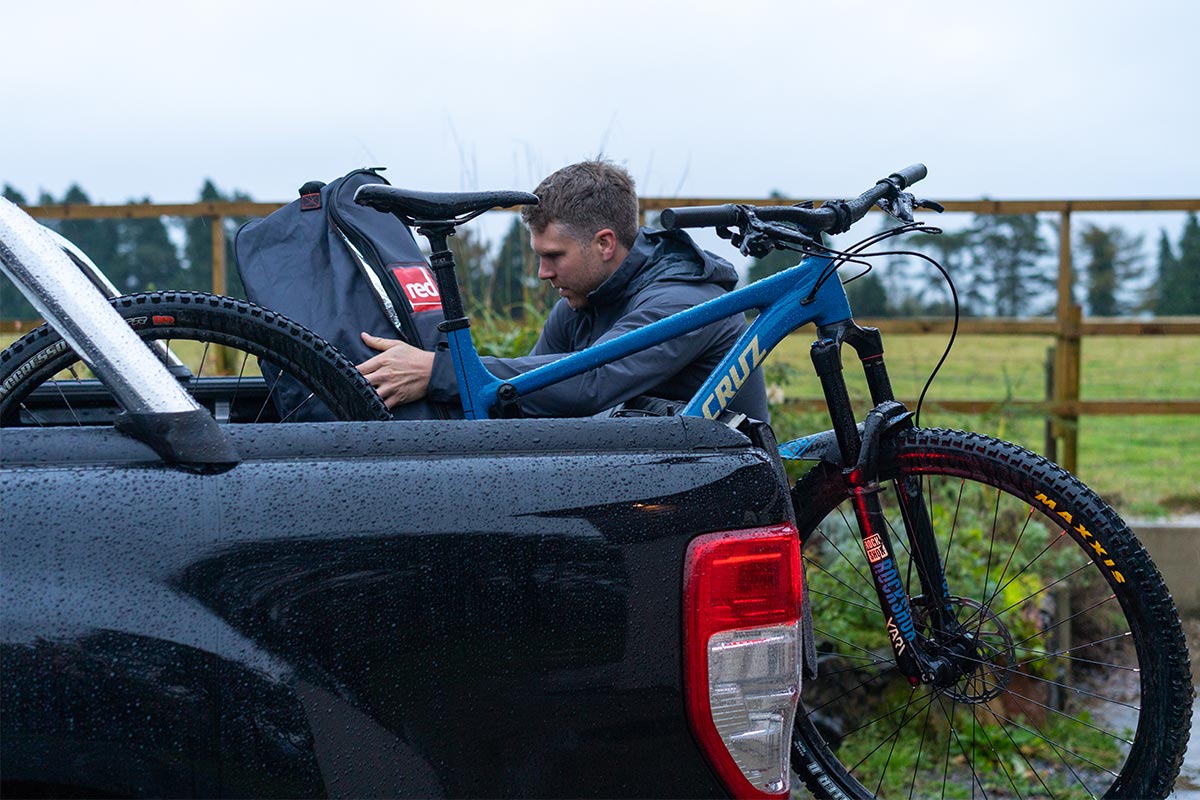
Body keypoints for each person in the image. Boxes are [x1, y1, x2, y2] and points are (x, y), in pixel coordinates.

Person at [356, 159, 769, 421]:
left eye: (554, 255)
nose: (541, 273)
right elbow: (527, 400)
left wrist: (441, 373)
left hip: (724, 492)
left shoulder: (684, 300)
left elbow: (590, 384)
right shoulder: (581, 302)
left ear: (605, 244)